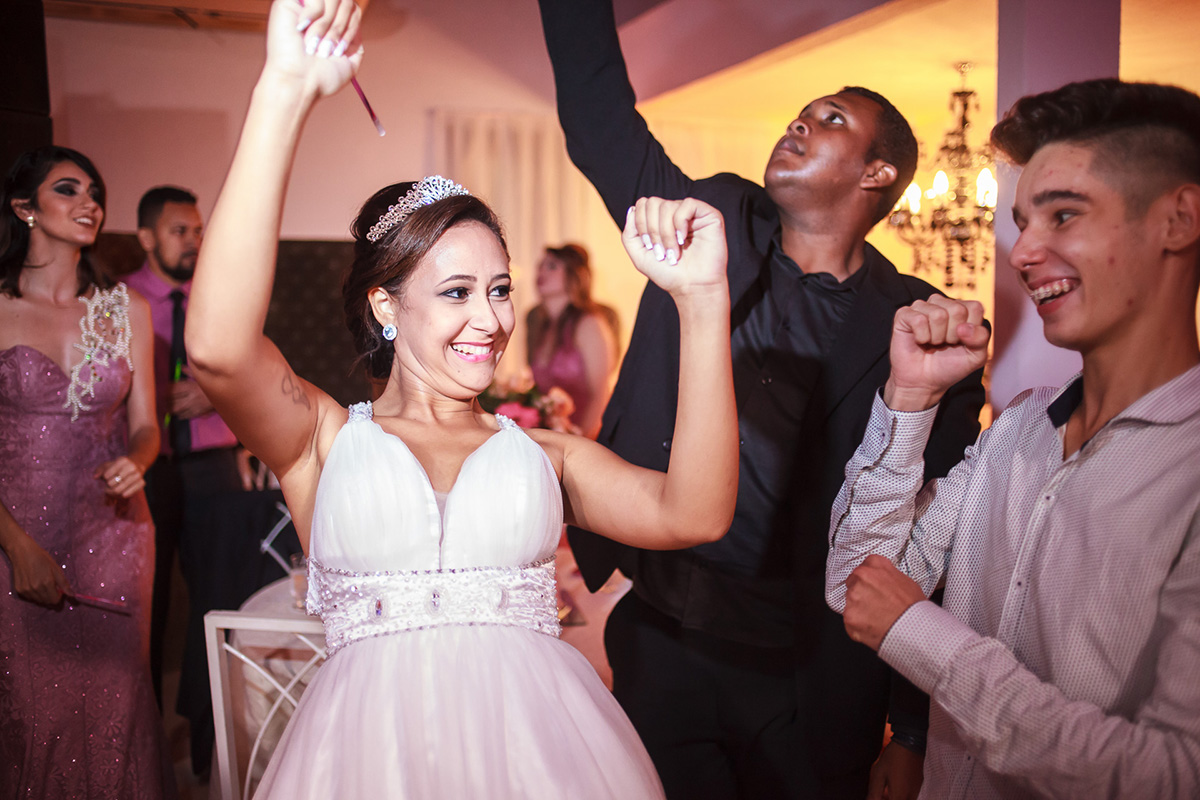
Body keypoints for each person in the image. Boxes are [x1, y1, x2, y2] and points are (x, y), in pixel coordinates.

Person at [185, 1, 738, 795]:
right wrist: (286, 88)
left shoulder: (543, 455)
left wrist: (703, 301)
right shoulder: (324, 442)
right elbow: (217, 350)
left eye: (500, 288)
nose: (492, 319)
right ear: (386, 305)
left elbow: (695, 513)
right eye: (457, 292)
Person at [537, 1, 986, 797]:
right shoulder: (706, 221)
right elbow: (597, 119)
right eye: (800, 111)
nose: (799, 123)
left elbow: (934, 546)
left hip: (815, 677)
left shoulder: (922, 329)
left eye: (831, 118)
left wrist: (910, 729)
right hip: (667, 638)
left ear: (877, 174)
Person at [825, 78, 1200, 798]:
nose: (1023, 252)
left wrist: (931, 643)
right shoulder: (1021, 428)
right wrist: (910, 396)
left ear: (1177, 220)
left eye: (1063, 215)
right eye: (1023, 222)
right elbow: (855, 585)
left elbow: (1174, 776)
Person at [0, 146, 175, 797]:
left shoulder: (124, 310)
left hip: (116, 536)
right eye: (68, 190)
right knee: (32, 709)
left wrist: (139, 459)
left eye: (95, 191)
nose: (89, 203)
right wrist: (18, 548)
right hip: (18, 537)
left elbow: (146, 424)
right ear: (24, 209)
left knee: (117, 702)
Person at [124, 185, 244, 711]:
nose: (194, 241)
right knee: (143, 605)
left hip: (214, 464)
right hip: (147, 469)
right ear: (147, 237)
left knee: (219, 596)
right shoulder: (115, 299)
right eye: (180, 232)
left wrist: (217, 395)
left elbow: (256, 377)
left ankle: (211, 736)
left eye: (198, 230)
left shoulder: (223, 294)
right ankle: (142, 730)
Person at [526, 243, 619, 437]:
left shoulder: (589, 323)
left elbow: (600, 395)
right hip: (552, 436)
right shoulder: (537, 325)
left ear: (574, 275)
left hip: (586, 435)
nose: (541, 272)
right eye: (540, 266)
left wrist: (582, 442)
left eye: (552, 266)